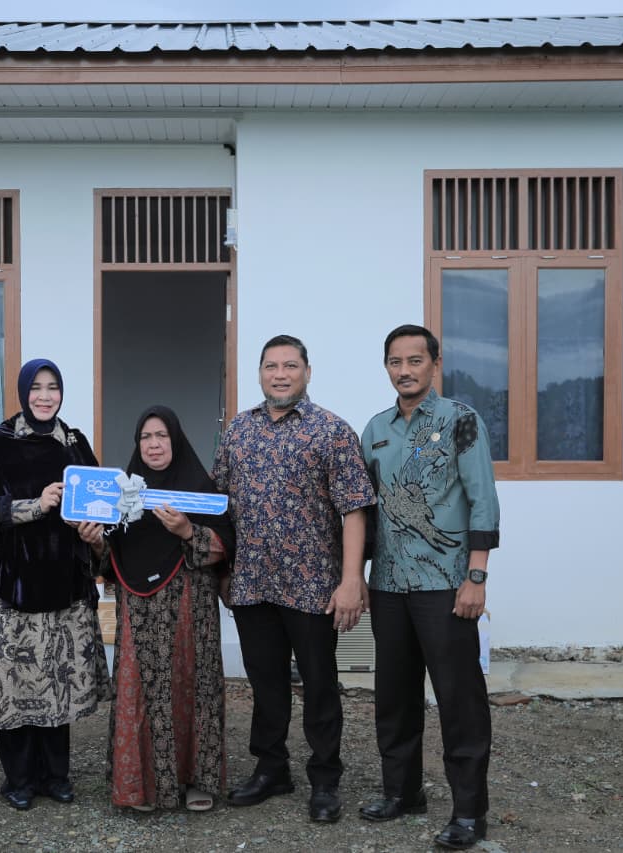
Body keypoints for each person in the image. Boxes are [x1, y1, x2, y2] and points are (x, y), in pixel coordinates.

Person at [212, 334, 376, 823]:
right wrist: (224, 570)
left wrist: (352, 580)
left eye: (289, 366)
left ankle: (324, 780)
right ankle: (271, 769)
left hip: (314, 588)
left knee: (320, 685)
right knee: (266, 684)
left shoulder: (332, 431)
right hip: (252, 584)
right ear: (260, 373)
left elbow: (355, 510)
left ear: (307, 371)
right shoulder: (239, 431)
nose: (280, 375)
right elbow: (219, 504)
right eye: (271, 366)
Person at [358, 324, 500, 851]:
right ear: (387, 368)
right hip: (388, 584)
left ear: (434, 365)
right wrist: (355, 576)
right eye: (395, 362)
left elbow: (483, 500)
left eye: (415, 360)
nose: (405, 370)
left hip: (446, 584)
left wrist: (476, 578)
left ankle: (469, 812)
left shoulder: (461, 420)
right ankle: (402, 792)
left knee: (459, 699)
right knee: (394, 695)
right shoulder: (375, 429)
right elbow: (364, 511)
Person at [0, 359, 113, 811]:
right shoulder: (1, 443)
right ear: (23, 391)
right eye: (37, 388)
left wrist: (94, 532)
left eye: (53, 388)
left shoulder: (75, 443)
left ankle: (55, 776)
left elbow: (100, 505)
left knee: (56, 681)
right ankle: (19, 779)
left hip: (63, 585)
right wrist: (36, 504)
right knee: (14, 683)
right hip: (11, 586)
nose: (45, 396)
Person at [77, 405, 235, 813]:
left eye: (161, 436)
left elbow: (224, 544)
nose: (153, 444)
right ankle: (141, 785)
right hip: (139, 609)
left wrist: (186, 530)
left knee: (192, 686)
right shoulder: (123, 495)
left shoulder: (199, 488)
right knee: (139, 691)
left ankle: (195, 779)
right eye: (146, 437)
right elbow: (110, 556)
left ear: (175, 440)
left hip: (190, 608)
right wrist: (96, 542)